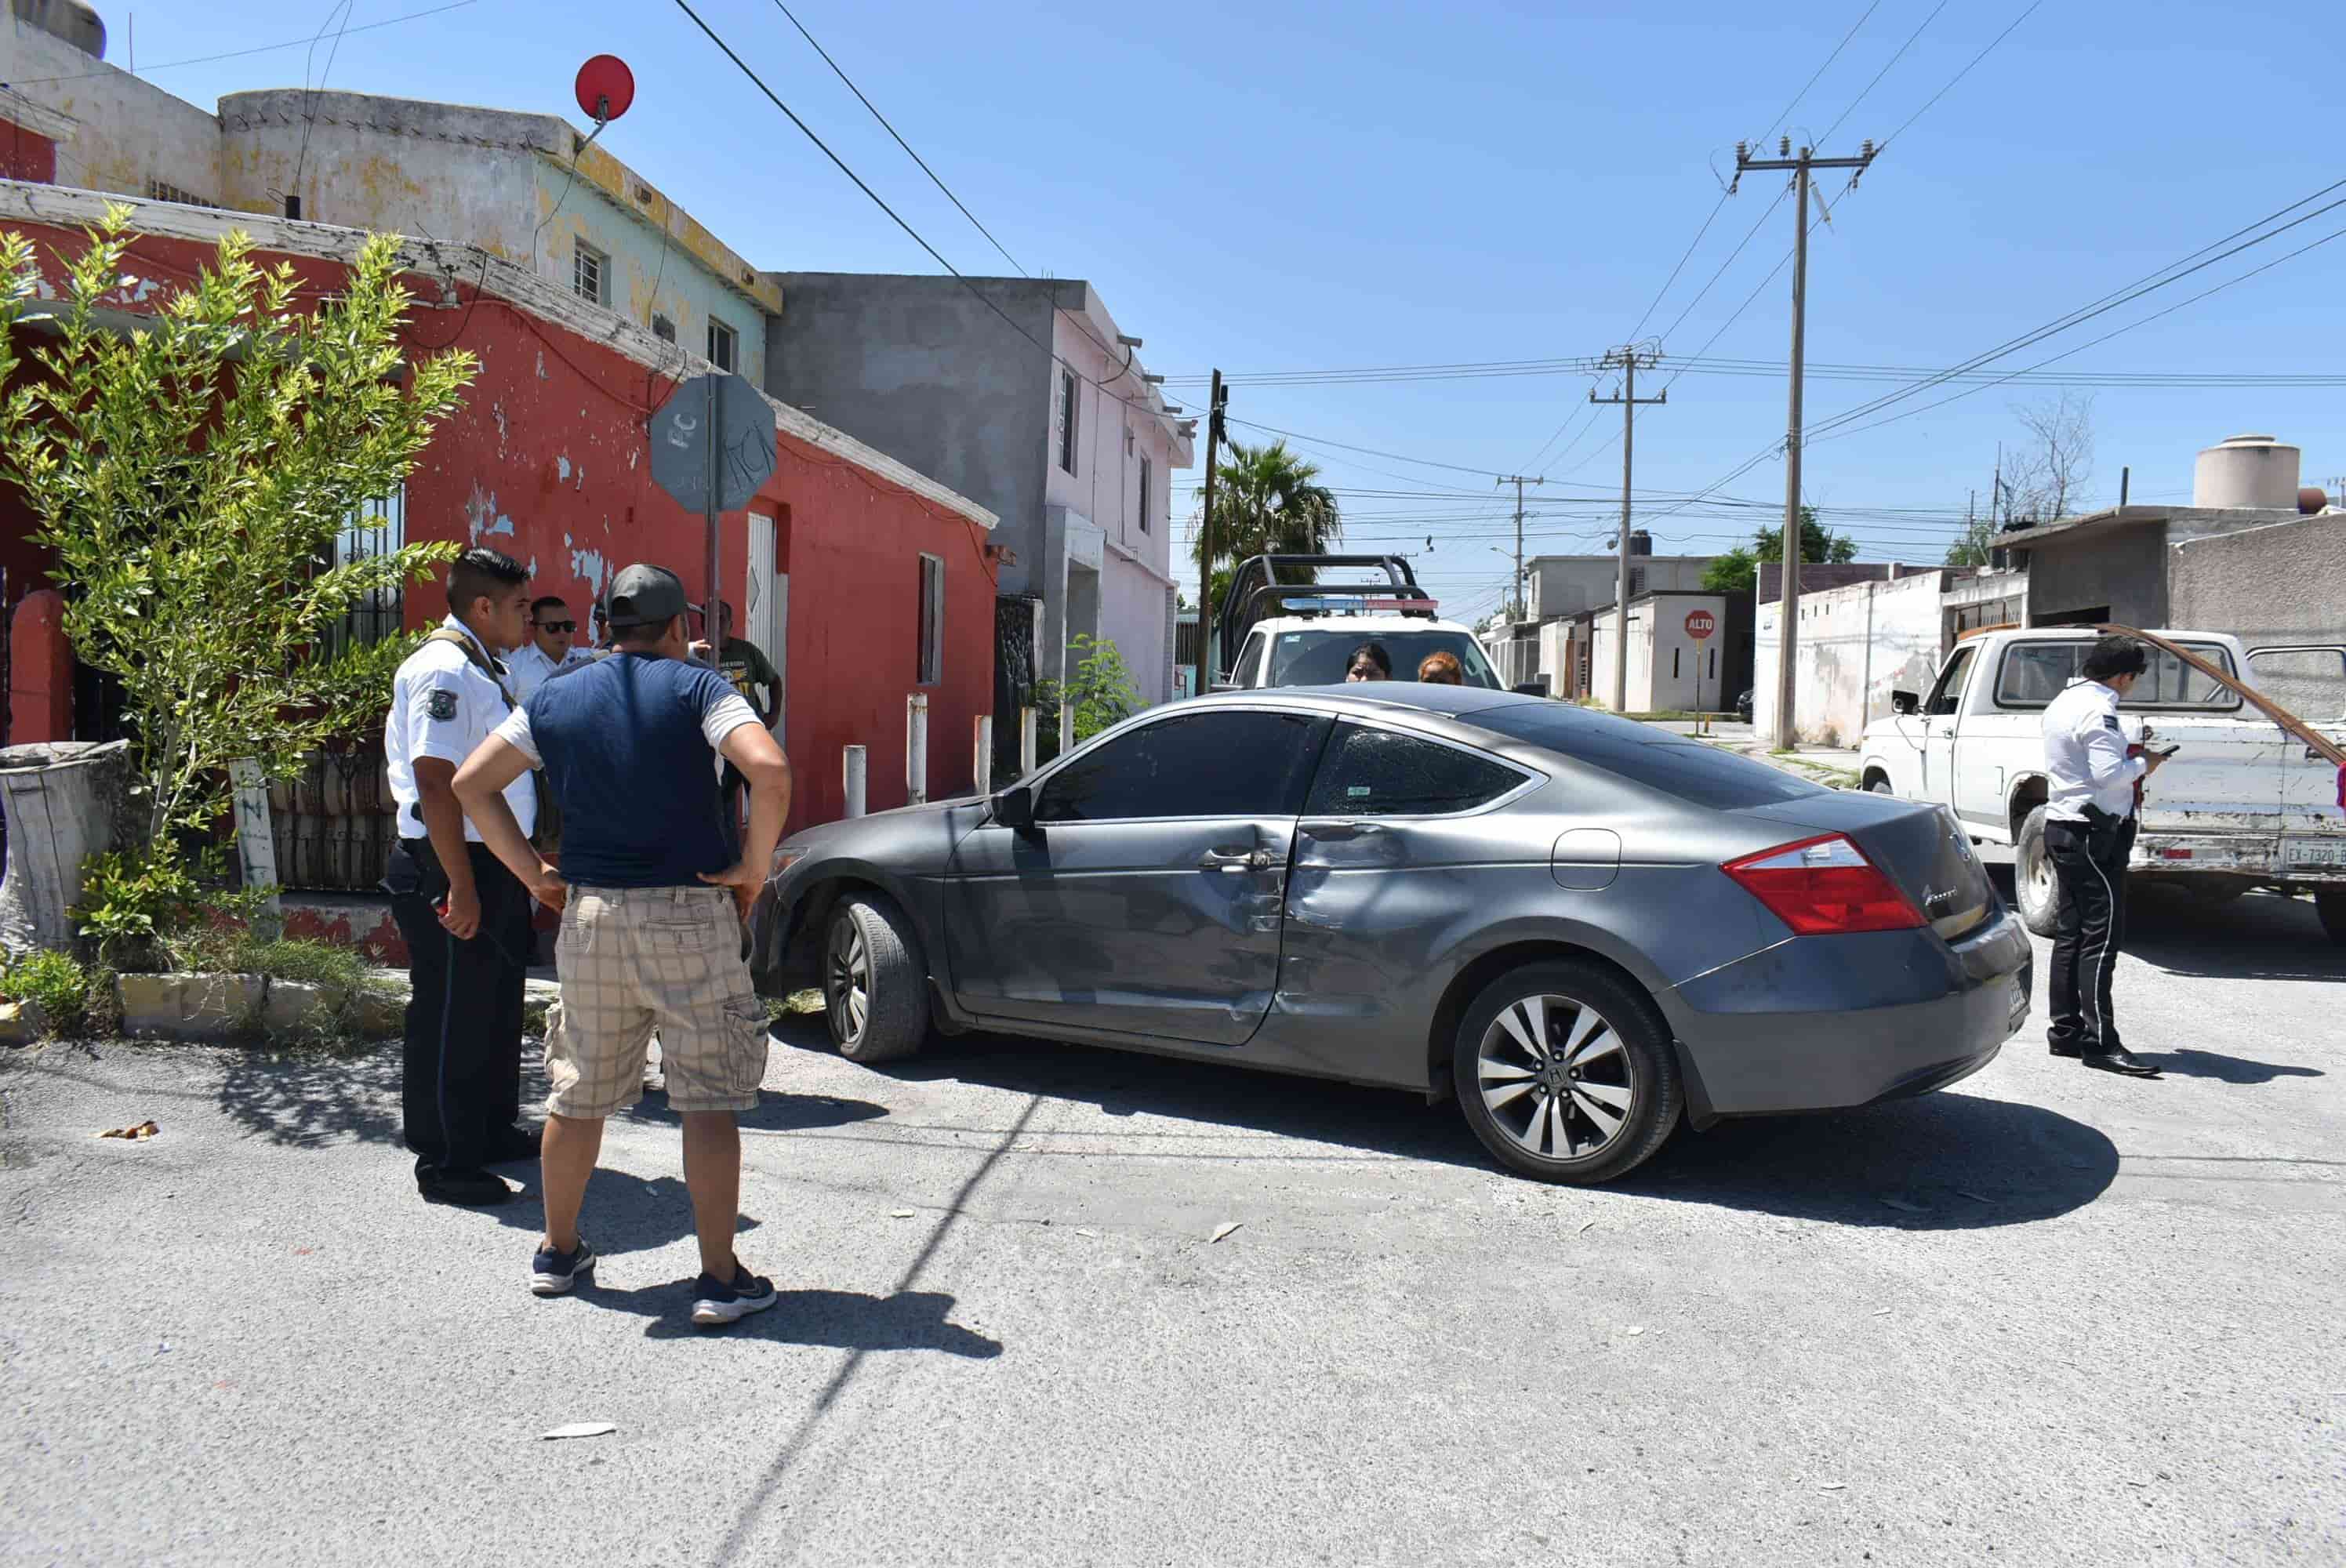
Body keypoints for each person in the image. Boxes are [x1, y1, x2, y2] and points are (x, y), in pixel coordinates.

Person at [452, 564, 795, 1326]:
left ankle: (557, 1251)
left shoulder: (555, 696)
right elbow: (768, 770)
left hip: (592, 916)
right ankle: (717, 1277)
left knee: (577, 1096)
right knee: (706, 1099)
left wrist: (534, 874)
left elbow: (472, 784)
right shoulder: (701, 687)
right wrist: (752, 867)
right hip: (690, 913)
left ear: (606, 626)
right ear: (677, 627)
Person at [382, 546, 539, 1207]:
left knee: (494, 1004)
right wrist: (462, 884)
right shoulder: (444, 669)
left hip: (488, 860)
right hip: (451, 862)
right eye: (521, 607)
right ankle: (445, 1162)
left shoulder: (480, 665)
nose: (529, 618)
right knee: (450, 1014)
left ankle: (488, 1126)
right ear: (484, 607)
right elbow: (435, 781)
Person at [2042, 634, 2170, 1080]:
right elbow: (2109, 775)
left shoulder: (2064, 699)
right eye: (2133, 679)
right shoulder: (2100, 709)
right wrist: (2145, 764)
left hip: (2065, 826)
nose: (2131, 686)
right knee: (2101, 939)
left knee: (2072, 933)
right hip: (2091, 834)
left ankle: (2066, 1032)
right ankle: (2100, 1043)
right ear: (2123, 676)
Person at [506, 594, 594, 703]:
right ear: (533, 629)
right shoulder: (513, 667)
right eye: (553, 627)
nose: (562, 633)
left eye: (567, 626)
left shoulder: (589, 660)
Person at [717, 602, 784, 731]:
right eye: (709, 618)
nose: (716, 624)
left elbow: (774, 681)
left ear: (730, 625)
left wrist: (774, 715)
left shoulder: (746, 651)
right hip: (718, 729)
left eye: (721, 618)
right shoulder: (697, 655)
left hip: (751, 726)